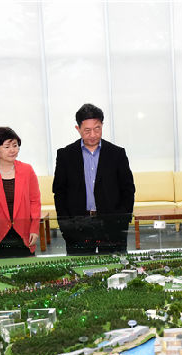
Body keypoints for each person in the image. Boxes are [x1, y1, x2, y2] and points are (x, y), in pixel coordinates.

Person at [52, 103, 135, 254]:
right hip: (78, 225)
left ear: (102, 125)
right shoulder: (66, 155)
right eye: (87, 130)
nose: (93, 135)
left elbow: (128, 189)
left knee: (114, 265)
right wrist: (65, 224)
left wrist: (122, 220)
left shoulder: (117, 154)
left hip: (111, 225)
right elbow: (59, 192)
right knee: (81, 266)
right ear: (78, 129)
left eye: (97, 129)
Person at [0, 127, 41, 258]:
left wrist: (34, 229)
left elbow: (35, 202)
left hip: (24, 234)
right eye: (7, 147)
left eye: (15, 145)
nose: (12, 150)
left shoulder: (27, 170)